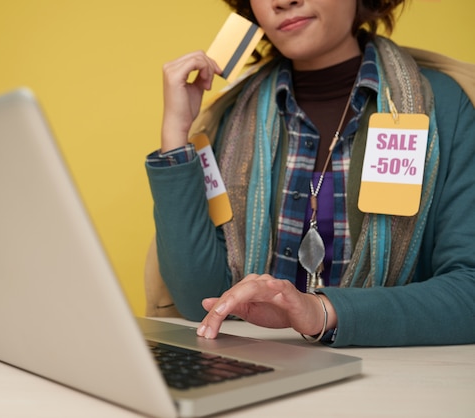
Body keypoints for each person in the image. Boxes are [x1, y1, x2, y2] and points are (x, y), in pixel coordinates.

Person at [145, 0, 475, 347]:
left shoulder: (444, 108)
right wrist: (175, 135)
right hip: (258, 370)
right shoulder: (229, 119)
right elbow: (201, 298)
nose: (283, 1)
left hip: (396, 381)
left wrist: (323, 311)